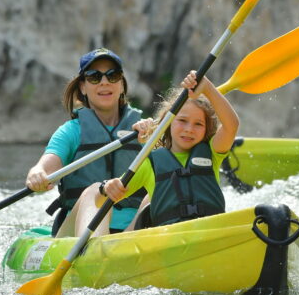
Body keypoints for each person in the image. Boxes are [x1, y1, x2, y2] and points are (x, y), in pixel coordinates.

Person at [83, 69, 239, 236]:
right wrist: (108, 187)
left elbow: (232, 125)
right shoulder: (150, 163)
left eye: (198, 124)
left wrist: (207, 87)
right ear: (168, 123)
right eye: (182, 120)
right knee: (95, 192)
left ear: (207, 129)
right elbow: (110, 196)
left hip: (210, 236)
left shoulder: (212, 152)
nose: (189, 129)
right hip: (169, 242)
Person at [26, 48, 152, 237]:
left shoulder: (144, 130)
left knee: (155, 197)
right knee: (96, 191)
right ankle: (94, 252)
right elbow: (46, 166)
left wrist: (154, 140)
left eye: (113, 75)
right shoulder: (71, 132)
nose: (104, 82)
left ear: (121, 85)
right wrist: (37, 174)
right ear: (83, 87)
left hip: (134, 229)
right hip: (78, 230)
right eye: (94, 76)